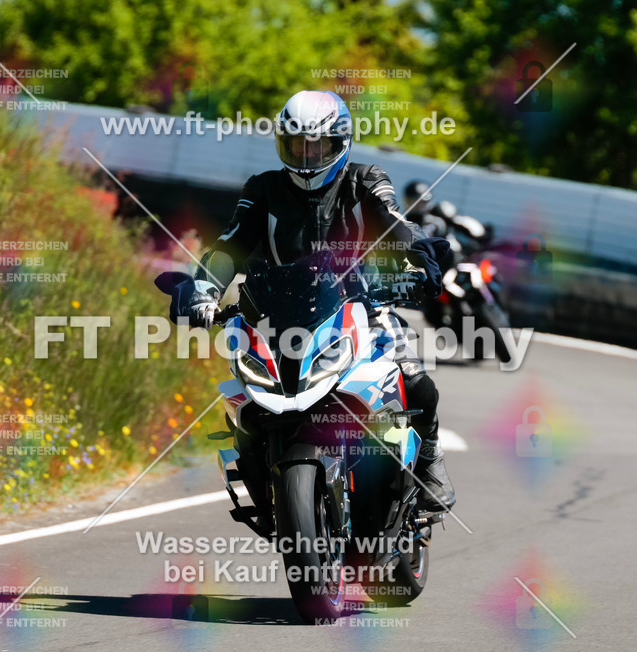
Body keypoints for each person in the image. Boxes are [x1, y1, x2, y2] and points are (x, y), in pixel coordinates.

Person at [169, 90, 455, 511]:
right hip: (275, 315)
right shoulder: (263, 188)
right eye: (296, 145)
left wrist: (418, 253)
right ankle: (264, 472)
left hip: (361, 304)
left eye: (317, 146)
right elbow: (229, 246)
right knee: (243, 395)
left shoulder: (365, 179)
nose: (306, 156)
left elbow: (395, 221)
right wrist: (202, 291)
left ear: (340, 143)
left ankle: (430, 463)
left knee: (415, 380)